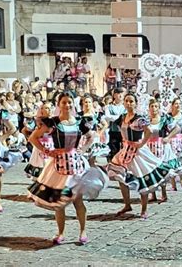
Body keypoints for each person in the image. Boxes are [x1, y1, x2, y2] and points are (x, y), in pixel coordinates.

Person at [28, 92, 107, 245]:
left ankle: (83, 231)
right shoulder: (53, 122)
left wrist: (82, 149)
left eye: (69, 102)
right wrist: (47, 151)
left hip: (76, 164)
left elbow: (91, 136)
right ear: (59, 104)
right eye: (64, 102)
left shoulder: (79, 121)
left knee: (78, 200)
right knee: (59, 202)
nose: (67, 105)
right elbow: (33, 137)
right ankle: (60, 233)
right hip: (58, 166)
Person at [108, 93, 174, 219]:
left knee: (142, 177)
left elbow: (149, 131)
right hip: (126, 150)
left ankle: (144, 209)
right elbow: (117, 128)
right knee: (121, 177)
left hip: (138, 151)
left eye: (131, 101)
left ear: (135, 103)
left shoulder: (139, 118)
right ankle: (127, 204)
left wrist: (142, 143)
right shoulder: (123, 117)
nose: (128, 103)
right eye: (126, 101)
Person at [146, 99, 182, 202]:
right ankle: (153, 194)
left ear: (159, 108)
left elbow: (177, 128)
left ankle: (163, 193)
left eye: (156, 106)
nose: (154, 109)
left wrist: (168, 137)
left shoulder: (164, 119)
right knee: (151, 170)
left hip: (161, 147)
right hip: (150, 146)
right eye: (152, 106)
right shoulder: (146, 120)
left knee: (162, 169)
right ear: (149, 108)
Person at [166, 97, 182, 189]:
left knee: (180, 159)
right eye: (176, 103)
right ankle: (173, 183)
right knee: (171, 161)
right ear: (172, 105)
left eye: (179, 103)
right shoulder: (168, 116)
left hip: (180, 140)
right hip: (170, 140)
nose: (178, 105)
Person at [24, 102, 54, 179]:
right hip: (41, 146)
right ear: (42, 110)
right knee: (41, 169)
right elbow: (25, 130)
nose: (49, 110)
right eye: (46, 108)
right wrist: (30, 138)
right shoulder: (39, 121)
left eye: (50, 108)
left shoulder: (54, 120)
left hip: (52, 145)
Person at [104, 88, 126, 161]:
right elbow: (108, 117)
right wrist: (119, 117)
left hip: (124, 131)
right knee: (114, 149)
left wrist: (114, 117)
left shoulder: (125, 107)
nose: (120, 95)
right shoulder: (109, 107)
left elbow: (125, 117)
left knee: (124, 149)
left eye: (121, 93)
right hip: (113, 131)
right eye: (118, 93)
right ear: (114, 95)